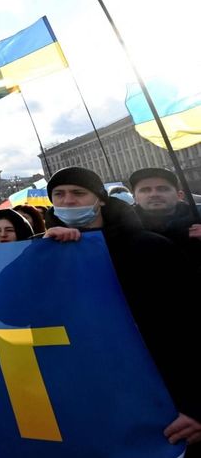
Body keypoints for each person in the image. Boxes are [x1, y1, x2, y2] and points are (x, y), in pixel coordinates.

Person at [43, 166, 201, 446]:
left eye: (78, 193)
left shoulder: (149, 247)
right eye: (59, 194)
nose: (68, 201)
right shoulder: (42, 252)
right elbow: (6, 309)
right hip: (93, 398)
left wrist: (196, 405)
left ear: (100, 199)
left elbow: (190, 325)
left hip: (168, 401)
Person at [130, 167, 201, 268]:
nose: (154, 194)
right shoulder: (124, 230)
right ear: (135, 198)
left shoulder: (198, 216)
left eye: (162, 189)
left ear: (179, 195)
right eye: (145, 190)